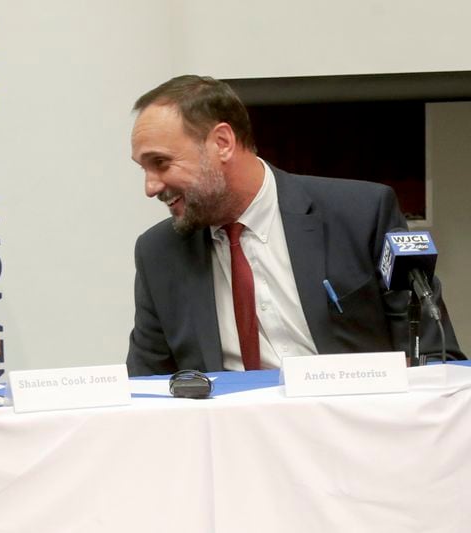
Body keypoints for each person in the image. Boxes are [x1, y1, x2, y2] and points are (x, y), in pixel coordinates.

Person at [126, 75, 463, 376]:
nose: (151, 187)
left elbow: (434, 359)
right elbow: (145, 386)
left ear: (222, 143)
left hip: (358, 430)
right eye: (144, 169)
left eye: (161, 163)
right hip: (235, 438)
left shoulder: (360, 215)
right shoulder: (159, 254)